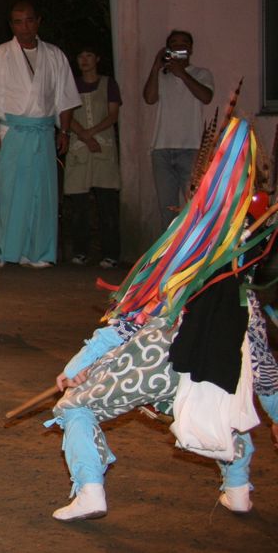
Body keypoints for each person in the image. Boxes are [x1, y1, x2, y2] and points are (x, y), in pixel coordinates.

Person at [47, 116, 277, 522]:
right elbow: (260, 360)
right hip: (210, 369)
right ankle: (239, 490)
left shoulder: (187, 244)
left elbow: (131, 317)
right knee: (221, 411)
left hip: (157, 357)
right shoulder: (247, 269)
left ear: (199, 188)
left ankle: (89, 491)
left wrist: (78, 366)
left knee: (75, 407)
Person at [0, 1, 79, 267]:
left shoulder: (54, 55)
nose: (24, 27)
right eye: (18, 22)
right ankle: (0, 250)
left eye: (29, 21)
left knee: (41, 193)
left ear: (38, 21)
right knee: (8, 191)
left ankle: (37, 252)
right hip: (12, 130)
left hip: (43, 131)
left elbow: (64, 98)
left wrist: (63, 131)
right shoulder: (0, 55)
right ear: (11, 25)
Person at [142, 29, 213, 229]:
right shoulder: (162, 76)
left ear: (190, 49)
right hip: (162, 149)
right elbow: (149, 98)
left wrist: (181, 73)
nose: (179, 46)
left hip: (191, 149)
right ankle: (169, 256)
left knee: (196, 207)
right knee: (167, 210)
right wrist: (156, 66)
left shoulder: (201, 73)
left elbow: (206, 97)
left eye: (183, 43)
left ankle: (196, 254)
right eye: (174, 43)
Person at [64, 45, 121, 268]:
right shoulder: (71, 85)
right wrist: (84, 135)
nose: (84, 60)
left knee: (107, 203)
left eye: (89, 55)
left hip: (103, 147)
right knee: (79, 204)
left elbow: (113, 114)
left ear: (97, 58)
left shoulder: (108, 84)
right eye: (80, 55)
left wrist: (93, 133)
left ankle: (111, 253)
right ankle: (80, 251)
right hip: (79, 147)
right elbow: (66, 113)